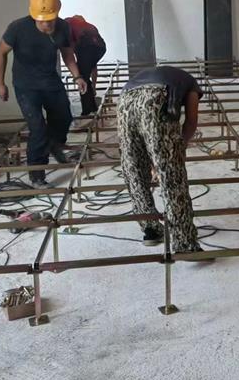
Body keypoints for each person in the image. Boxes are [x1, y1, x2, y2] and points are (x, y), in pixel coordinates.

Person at [0, 0, 87, 188]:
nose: (47, 24)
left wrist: (77, 76)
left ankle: (54, 145)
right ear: (34, 15)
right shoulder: (17, 28)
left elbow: (67, 54)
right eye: (42, 20)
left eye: (50, 20)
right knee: (38, 128)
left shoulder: (63, 27)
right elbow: (1, 53)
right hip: (26, 86)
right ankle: (37, 174)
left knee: (64, 117)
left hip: (50, 81)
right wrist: (0, 83)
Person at [117, 65, 208, 256]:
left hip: (125, 100)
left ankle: (150, 229)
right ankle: (185, 244)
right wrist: (178, 149)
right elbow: (191, 121)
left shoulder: (166, 76)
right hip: (155, 98)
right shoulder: (192, 84)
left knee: (134, 170)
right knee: (171, 175)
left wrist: (154, 159)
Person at [65, 15, 107, 116]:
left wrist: (77, 71)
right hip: (101, 48)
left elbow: (70, 49)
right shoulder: (88, 27)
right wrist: (94, 87)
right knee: (85, 75)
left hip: (87, 46)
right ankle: (92, 107)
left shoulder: (67, 24)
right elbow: (93, 67)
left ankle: (87, 110)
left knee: (82, 78)